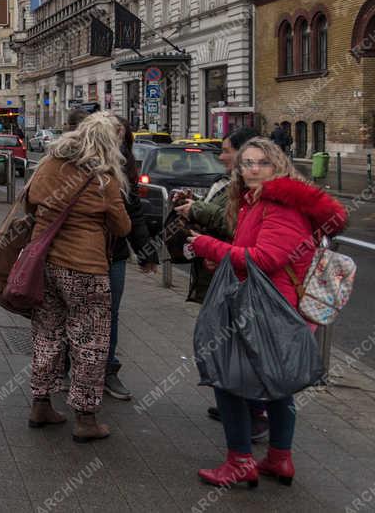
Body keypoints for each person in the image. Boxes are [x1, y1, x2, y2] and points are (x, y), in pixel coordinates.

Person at [187, 137, 347, 488]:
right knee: (276, 385)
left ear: (278, 166)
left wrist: (205, 245)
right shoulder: (255, 201)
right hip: (271, 304)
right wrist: (226, 258)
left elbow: (266, 259)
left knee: (230, 379)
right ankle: (279, 459)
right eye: (246, 163)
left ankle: (240, 461)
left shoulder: (279, 204)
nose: (253, 169)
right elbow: (255, 253)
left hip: (270, 308)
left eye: (262, 162)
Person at [26, 112, 131, 442]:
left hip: (44, 262)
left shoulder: (49, 164)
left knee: (47, 333)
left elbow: (29, 201)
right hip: (85, 266)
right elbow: (122, 226)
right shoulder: (103, 178)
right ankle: (86, 419)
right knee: (90, 342)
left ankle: (41, 403)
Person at [174, 128, 270, 441]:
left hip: (239, 280)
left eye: (227, 150)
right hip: (224, 271)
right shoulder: (231, 184)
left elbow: (235, 228)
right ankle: (236, 406)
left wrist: (199, 215)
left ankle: (254, 416)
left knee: (241, 350)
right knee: (227, 349)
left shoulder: (258, 196)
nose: (221, 156)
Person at [104, 118, 159, 401]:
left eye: (121, 138)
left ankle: (108, 370)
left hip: (114, 254)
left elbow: (134, 212)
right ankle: (69, 366)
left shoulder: (125, 168)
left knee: (110, 313)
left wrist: (146, 252)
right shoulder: (82, 165)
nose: (116, 142)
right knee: (77, 312)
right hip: (78, 253)